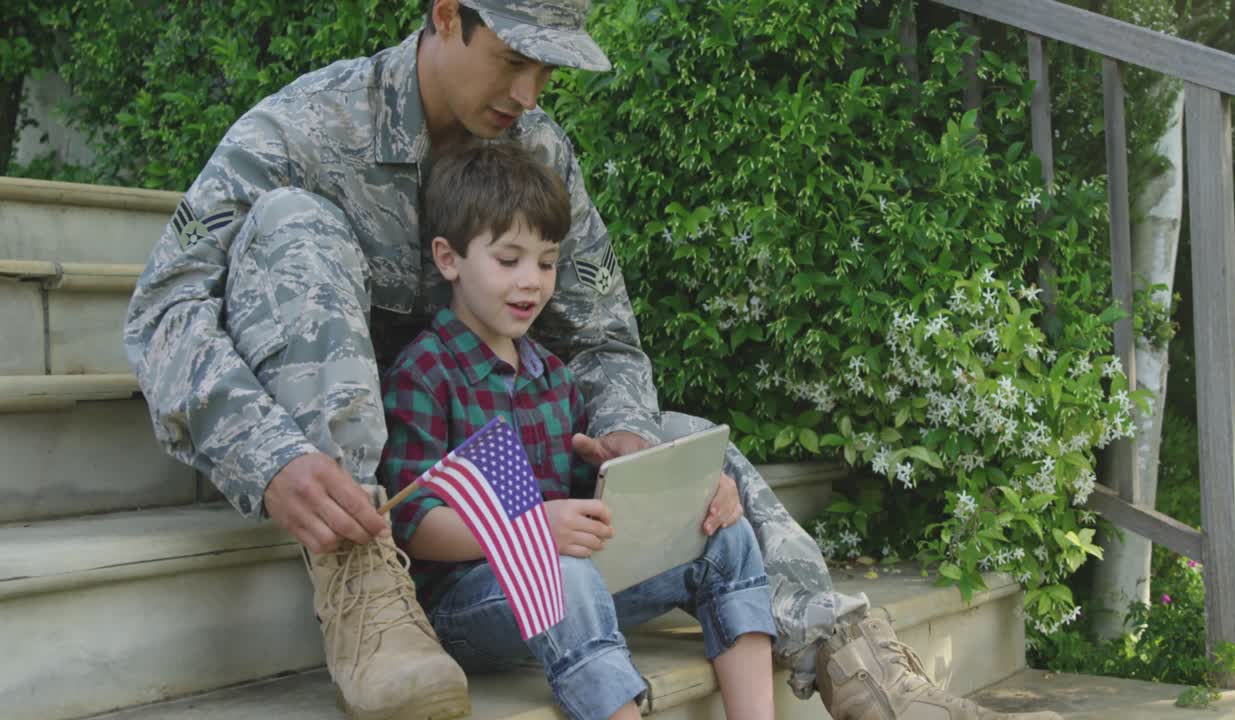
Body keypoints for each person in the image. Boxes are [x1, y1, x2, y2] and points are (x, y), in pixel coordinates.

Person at [123, 1, 1062, 719]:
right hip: (361, 475)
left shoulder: (533, 144)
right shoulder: (301, 130)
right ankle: (360, 582)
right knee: (293, 226)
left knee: (693, 448)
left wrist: (629, 444)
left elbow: (605, 335)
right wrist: (268, 457)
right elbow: (164, 307)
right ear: (447, 15)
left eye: (548, 68)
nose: (530, 93)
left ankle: (858, 669)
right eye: (515, 58)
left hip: (496, 446)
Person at [379, 141, 777, 720]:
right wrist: (529, 532)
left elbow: (579, 502)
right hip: (468, 606)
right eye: (509, 259)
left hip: (570, 584)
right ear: (449, 259)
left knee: (726, 537)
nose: (532, 282)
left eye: (546, 262)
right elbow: (411, 525)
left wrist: (686, 498)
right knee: (562, 574)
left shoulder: (554, 378)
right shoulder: (424, 372)